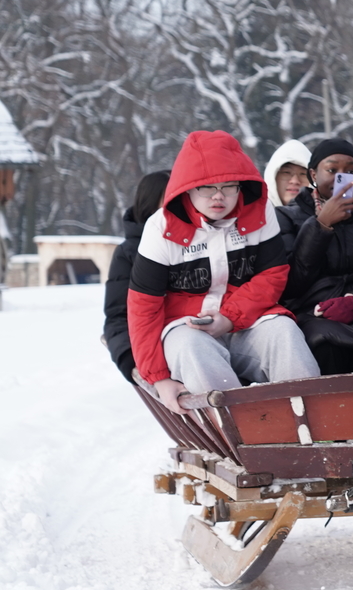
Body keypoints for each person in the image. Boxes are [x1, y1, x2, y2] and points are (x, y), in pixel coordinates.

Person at [128, 130, 319, 414]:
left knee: (284, 331)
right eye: (207, 187)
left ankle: (310, 422)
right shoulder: (161, 227)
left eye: (229, 186)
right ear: (187, 188)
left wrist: (230, 318)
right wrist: (159, 378)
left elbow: (272, 275)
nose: (219, 196)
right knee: (194, 348)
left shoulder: (260, 211)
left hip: (246, 319)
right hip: (185, 326)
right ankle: (241, 428)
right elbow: (144, 307)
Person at [278, 138, 353, 374]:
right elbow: (291, 282)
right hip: (311, 311)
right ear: (313, 174)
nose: (340, 177)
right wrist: (321, 225)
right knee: (323, 342)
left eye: (350, 171)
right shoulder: (286, 215)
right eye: (332, 170)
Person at [103, 170, 171, 382]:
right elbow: (118, 316)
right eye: (171, 200)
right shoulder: (129, 253)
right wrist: (130, 360)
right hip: (159, 356)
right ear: (152, 207)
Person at [263, 139, 311, 208]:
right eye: (286, 173)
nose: (294, 181)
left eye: (303, 174)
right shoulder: (257, 214)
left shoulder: (325, 213)